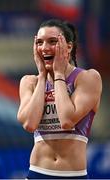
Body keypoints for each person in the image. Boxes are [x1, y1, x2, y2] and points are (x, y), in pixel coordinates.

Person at [17, 19, 102, 179]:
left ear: (68, 46)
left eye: (52, 41)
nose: (45, 48)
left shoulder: (87, 78)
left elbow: (67, 120)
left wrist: (59, 75)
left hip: (73, 174)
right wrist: (42, 77)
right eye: (40, 42)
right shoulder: (30, 82)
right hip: (37, 173)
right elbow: (30, 124)